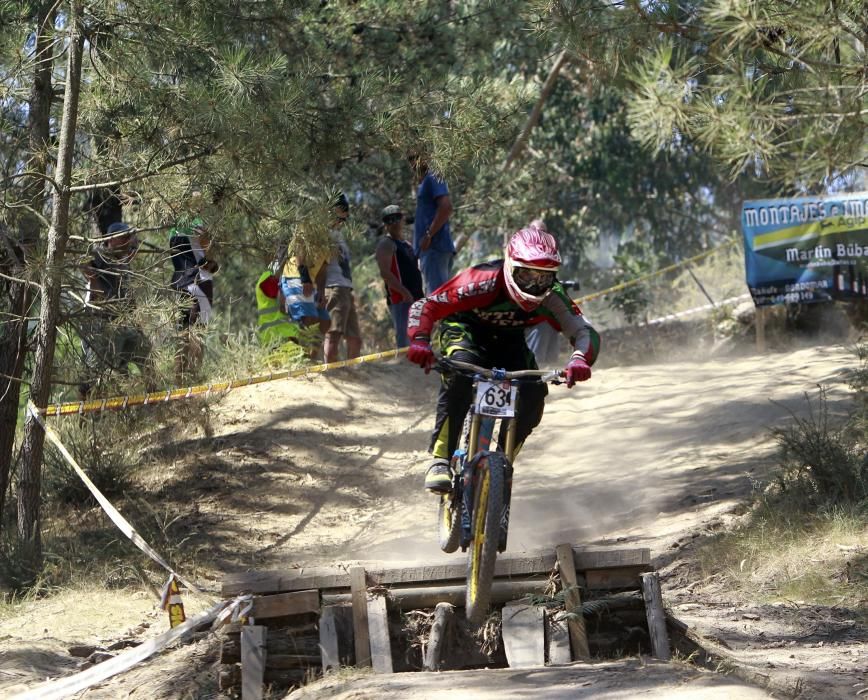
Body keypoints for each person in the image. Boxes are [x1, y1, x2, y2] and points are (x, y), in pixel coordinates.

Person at [406, 222, 600, 493]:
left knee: (534, 393)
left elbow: (584, 331)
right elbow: (426, 305)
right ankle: (441, 460)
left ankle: (503, 462)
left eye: (543, 277)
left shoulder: (553, 297)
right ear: (509, 266)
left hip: (509, 340)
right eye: (526, 275)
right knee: (459, 376)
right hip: (464, 330)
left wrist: (579, 358)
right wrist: (420, 340)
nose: (534, 285)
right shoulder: (480, 280)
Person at [78, 221, 153, 399]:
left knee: (146, 352)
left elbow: (128, 294)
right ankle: (83, 417)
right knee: (93, 375)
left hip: (124, 322)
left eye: (130, 237)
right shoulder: (102, 254)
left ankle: (156, 401)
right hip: (101, 324)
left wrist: (137, 322)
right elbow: (82, 263)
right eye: (125, 237)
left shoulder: (124, 261)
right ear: (111, 240)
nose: (130, 241)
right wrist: (95, 284)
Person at [168, 216, 218, 383]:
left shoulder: (173, 227)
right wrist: (213, 263)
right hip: (200, 282)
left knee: (183, 333)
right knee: (199, 331)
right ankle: (195, 380)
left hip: (179, 282)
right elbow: (207, 256)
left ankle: (179, 382)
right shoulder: (196, 223)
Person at [375, 204, 424, 347]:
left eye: (397, 218)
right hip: (401, 299)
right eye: (389, 220)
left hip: (416, 297)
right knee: (404, 340)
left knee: (419, 337)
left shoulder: (407, 244)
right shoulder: (386, 243)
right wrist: (405, 293)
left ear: (403, 219)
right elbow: (385, 273)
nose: (394, 223)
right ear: (385, 224)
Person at [323, 193, 363, 362]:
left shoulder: (338, 235)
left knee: (355, 337)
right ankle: (332, 374)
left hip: (345, 287)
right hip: (334, 287)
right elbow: (320, 265)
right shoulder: (324, 234)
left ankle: (353, 372)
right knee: (334, 333)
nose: (345, 217)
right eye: (344, 211)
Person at [410, 155, 455, 294]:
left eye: (416, 156)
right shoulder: (425, 182)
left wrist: (429, 235)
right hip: (431, 251)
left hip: (434, 249)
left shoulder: (432, 177)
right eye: (410, 158)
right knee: (439, 299)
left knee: (437, 301)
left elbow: (446, 207)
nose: (413, 162)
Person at [255, 267, 301, 352]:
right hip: (278, 335)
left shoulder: (267, 278)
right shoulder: (268, 279)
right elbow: (283, 301)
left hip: (279, 334)